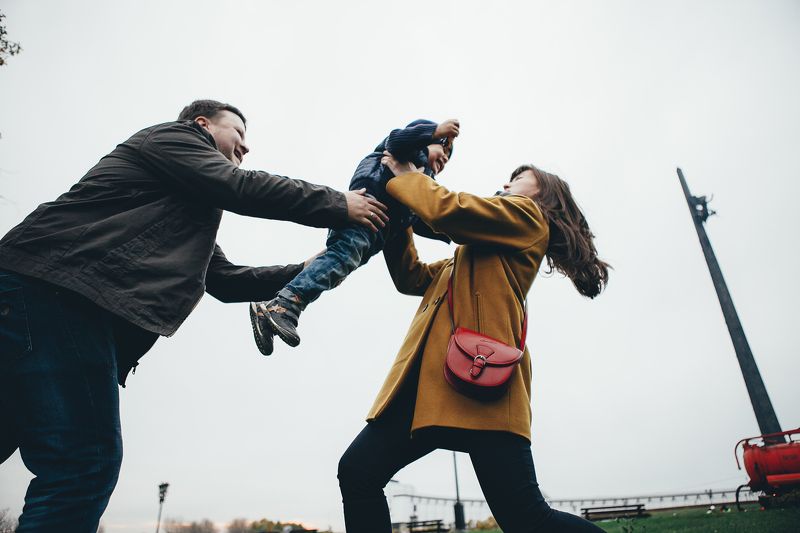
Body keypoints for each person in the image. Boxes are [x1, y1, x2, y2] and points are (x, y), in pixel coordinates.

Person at [0, 99, 388, 532]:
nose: (246, 148)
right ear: (203, 124)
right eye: (238, 134)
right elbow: (240, 187)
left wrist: (305, 269)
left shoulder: (187, 201)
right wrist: (338, 204)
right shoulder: (172, 137)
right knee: (83, 463)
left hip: (37, 299)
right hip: (56, 295)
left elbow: (224, 280)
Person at [337, 154, 610, 532]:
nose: (508, 182)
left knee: (527, 519)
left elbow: (452, 212)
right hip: (431, 387)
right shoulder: (469, 256)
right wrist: (398, 220)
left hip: (483, 387)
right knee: (358, 472)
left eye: (519, 177)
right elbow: (410, 276)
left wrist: (405, 177)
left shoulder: (529, 216)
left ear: (543, 193)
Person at [250, 118, 459, 354]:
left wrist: (452, 231)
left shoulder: (422, 180)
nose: (445, 157)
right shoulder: (408, 152)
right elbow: (399, 139)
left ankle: (271, 309)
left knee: (336, 269)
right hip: (363, 209)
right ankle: (284, 306)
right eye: (443, 148)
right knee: (340, 258)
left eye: (449, 157)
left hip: (375, 233)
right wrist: (435, 131)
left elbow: (422, 217)